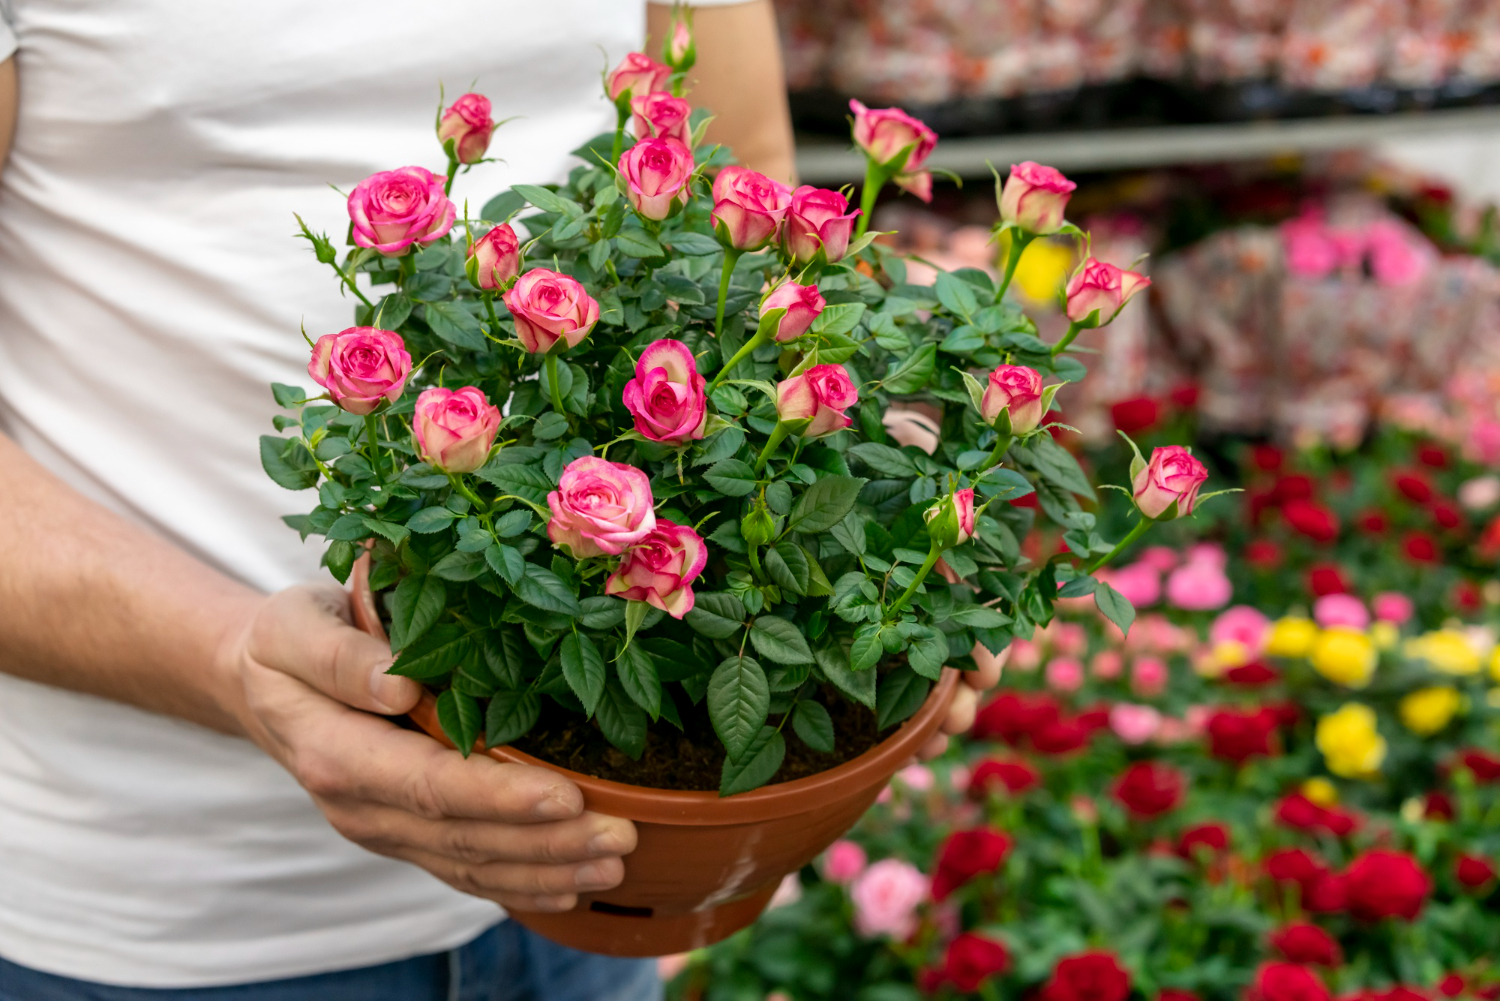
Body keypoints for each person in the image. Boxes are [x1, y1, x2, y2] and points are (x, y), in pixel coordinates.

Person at [0, 0, 999, 997]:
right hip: (164, 910)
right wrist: (232, 664)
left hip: (600, 884)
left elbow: (747, 178)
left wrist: (873, 473)